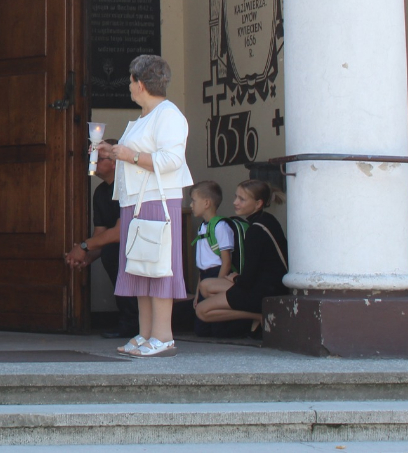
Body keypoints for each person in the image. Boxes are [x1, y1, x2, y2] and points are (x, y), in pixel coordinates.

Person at [93, 54, 192, 358]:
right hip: (135, 201)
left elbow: (171, 160)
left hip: (156, 200)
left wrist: (129, 156)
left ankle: (163, 336)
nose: (129, 86)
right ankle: (145, 333)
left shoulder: (168, 114)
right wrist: (112, 151)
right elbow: (131, 154)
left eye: (131, 80)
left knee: (157, 267)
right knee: (140, 267)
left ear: (140, 83)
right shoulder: (144, 118)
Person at [195, 180, 288, 332]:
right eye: (236, 197)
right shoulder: (268, 220)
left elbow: (247, 280)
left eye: (242, 199)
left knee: (201, 311)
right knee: (205, 286)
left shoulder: (255, 231)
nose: (235, 202)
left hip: (262, 291)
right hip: (270, 286)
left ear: (258, 204)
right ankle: (255, 317)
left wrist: (235, 279)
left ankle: (259, 316)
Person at [65, 153, 139, 340]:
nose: (92, 163)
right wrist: (86, 256)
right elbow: (101, 234)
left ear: (115, 163)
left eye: (98, 159)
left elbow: (120, 232)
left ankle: (135, 322)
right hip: (118, 248)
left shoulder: (128, 186)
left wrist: (83, 246)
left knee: (113, 252)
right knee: (110, 252)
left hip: (140, 246)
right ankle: (128, 321)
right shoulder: (100, 192)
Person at [188, 181, 249, 338]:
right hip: (205, 276)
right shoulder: (202, 227)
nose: (191, 205)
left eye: (194, 201)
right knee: (201, 330)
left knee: (219, 329)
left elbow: (226, 261)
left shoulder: (220, 227)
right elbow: (202, 266)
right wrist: (197, 293)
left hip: (218, 274)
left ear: (206, 203)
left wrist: (217, 284)